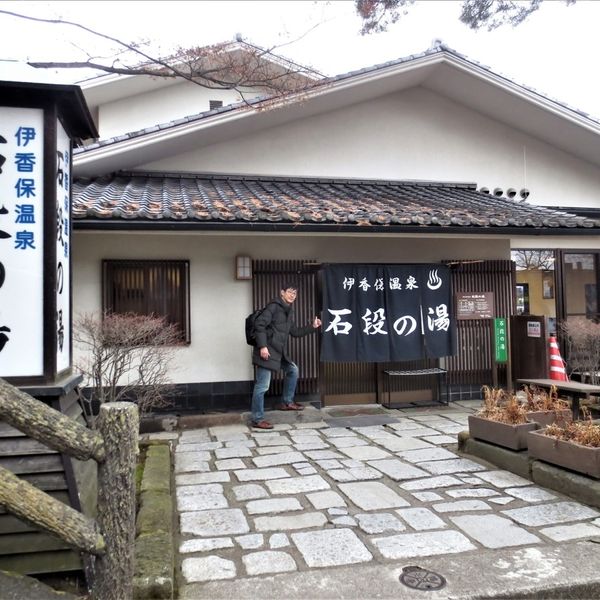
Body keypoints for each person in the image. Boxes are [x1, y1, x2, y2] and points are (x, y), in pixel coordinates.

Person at [250, 282, 321, 429]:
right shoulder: (273, 307)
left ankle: (287, 402)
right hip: (266, 351)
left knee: (292, 370)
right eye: (290, 292)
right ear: (282, 292)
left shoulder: (289, 311)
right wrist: (263, 346)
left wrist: (312, 327)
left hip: (278, 352)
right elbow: (259, 325)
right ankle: (257, 419)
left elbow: (295, 332)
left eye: (295, 293)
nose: (292, 295)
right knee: (262, 386)